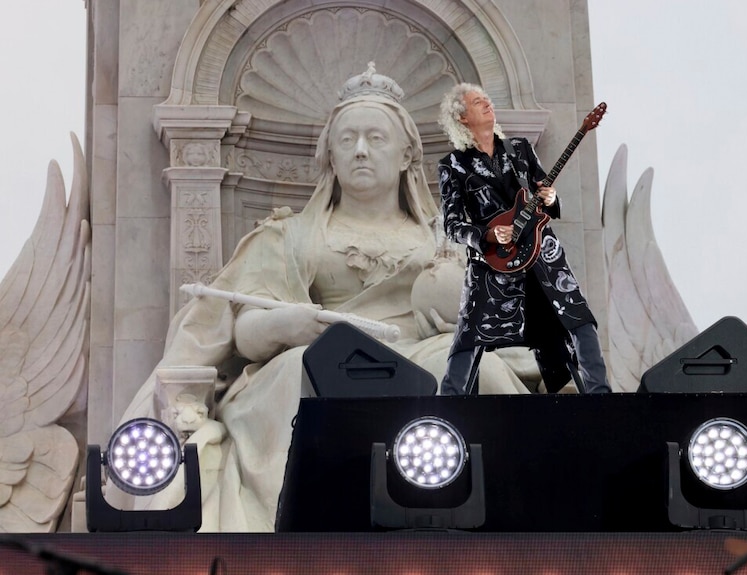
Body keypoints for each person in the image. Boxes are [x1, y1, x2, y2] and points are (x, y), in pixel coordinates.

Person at [110, 66, 532, 531]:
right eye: (347, 139)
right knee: (300, 370)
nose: (361, 150)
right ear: (330, 153)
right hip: (318, 357)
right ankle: (290, 528)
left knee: (483, 369)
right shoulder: (288, 236)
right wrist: (281, 326)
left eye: (376, 137)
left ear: (408, 153)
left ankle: (513, 521)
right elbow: (242, 330)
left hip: (423, 354)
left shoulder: (446, 239)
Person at [436, 83, 611, 396]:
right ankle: (449, 405)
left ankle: (600, 395)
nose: (487, 103)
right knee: (470, 335)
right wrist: (487, 234)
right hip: (493, 264)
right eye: (478, 102)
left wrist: (551, 197)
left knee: (578, 318)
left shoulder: (520, 149)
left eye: (487, 98)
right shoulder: (453, 166)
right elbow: (452, 225)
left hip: (542, 253)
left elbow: (545, 195)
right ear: (462, 118)